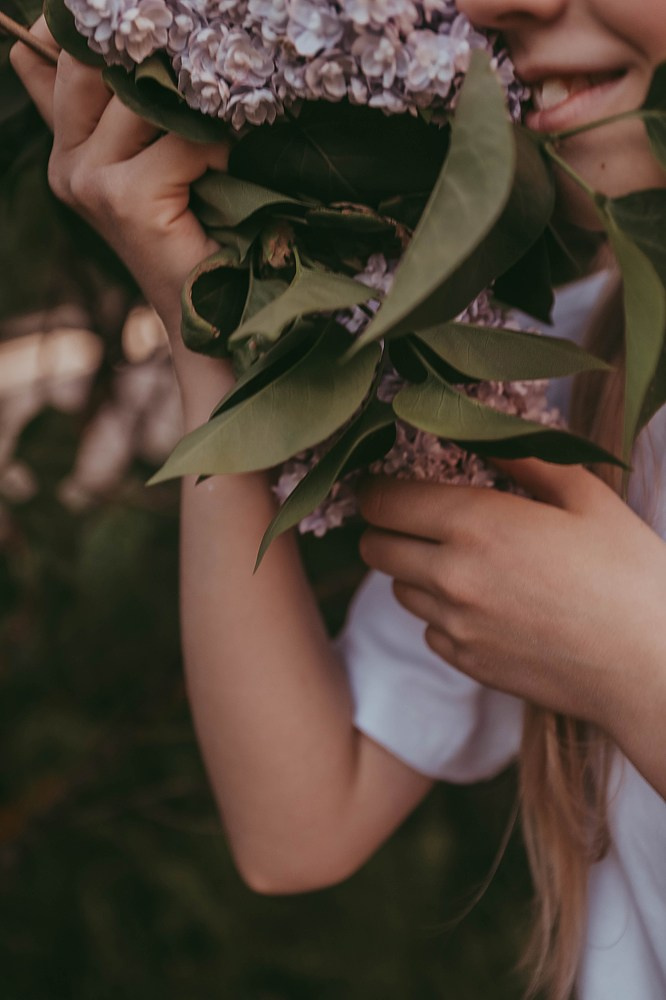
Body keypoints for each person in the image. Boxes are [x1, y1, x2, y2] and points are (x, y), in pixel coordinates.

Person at [10, 1, 666, 996]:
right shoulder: (570, 362)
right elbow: (300, 819)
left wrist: (634, 659)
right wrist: (210, 340)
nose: (504, 3)